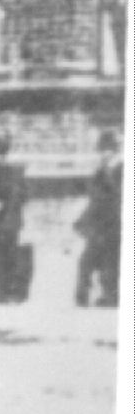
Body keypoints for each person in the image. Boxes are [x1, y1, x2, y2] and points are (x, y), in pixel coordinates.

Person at [76, 130, 123, 308]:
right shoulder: (100, 170)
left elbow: (116, 195)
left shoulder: (120, 169)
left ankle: (110, 296)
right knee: (87, 260)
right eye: (102, 150)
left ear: (114, 151)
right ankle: (83, 296)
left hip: (113, 221)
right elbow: (93, 197)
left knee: (110, 261)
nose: (104, 154)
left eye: (108, 150)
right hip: (98, 223)